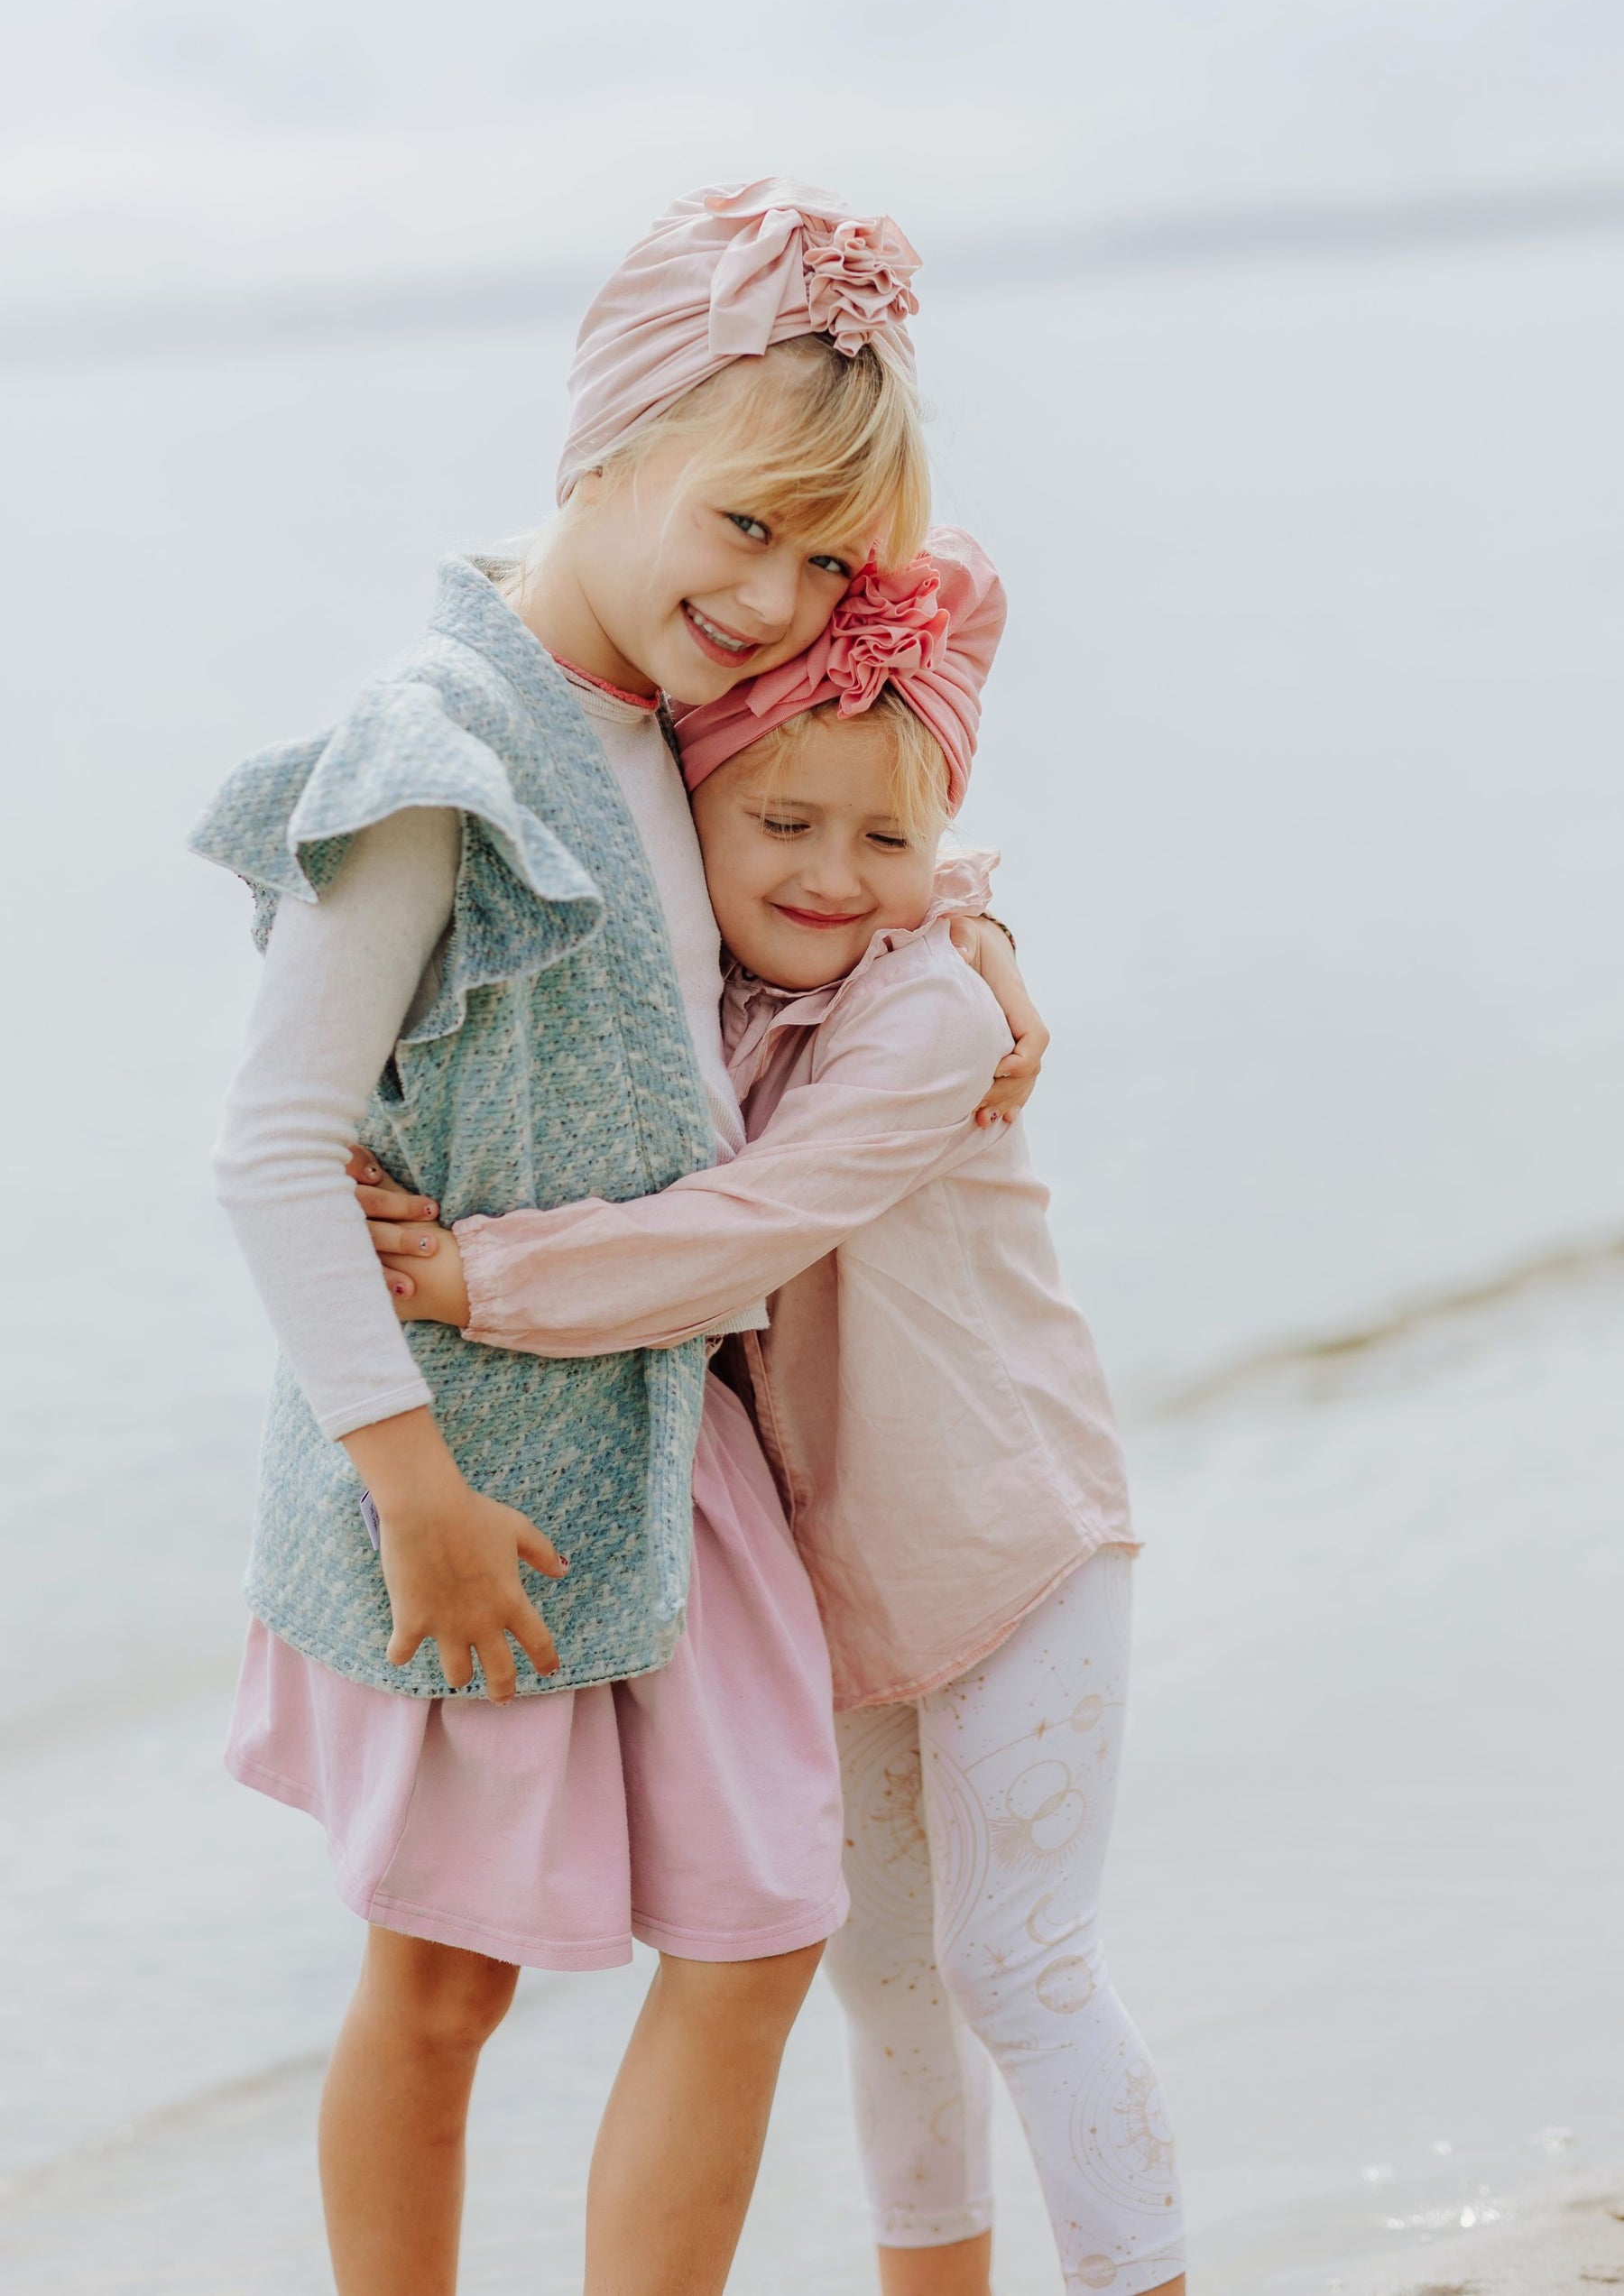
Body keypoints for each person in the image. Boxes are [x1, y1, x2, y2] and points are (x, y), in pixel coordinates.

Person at [190, 180, 1042, 2296]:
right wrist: (412, 1493)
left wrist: (985, 943)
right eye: (741, 522)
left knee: (765, 1921)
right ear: (607, 450)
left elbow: (859, 844)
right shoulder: (436, 750)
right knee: (448, 1987)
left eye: (826, 558)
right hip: (467, 1473)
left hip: (677, 1444)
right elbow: (272, 1152)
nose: (772, 597)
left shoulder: (680, 716)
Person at [361, 534, 1189, 2296]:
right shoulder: (699, 996)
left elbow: (743, 1230)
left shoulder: (932, 1018)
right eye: (784, 828)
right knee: (882, 1981)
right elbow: (569, 583)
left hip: (1019, 1547)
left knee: (1021, 1971)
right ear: (702, 816)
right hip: (834, 1589)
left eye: (888, 841)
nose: (832, 873)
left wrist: (470, 1280)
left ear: (937, 844)